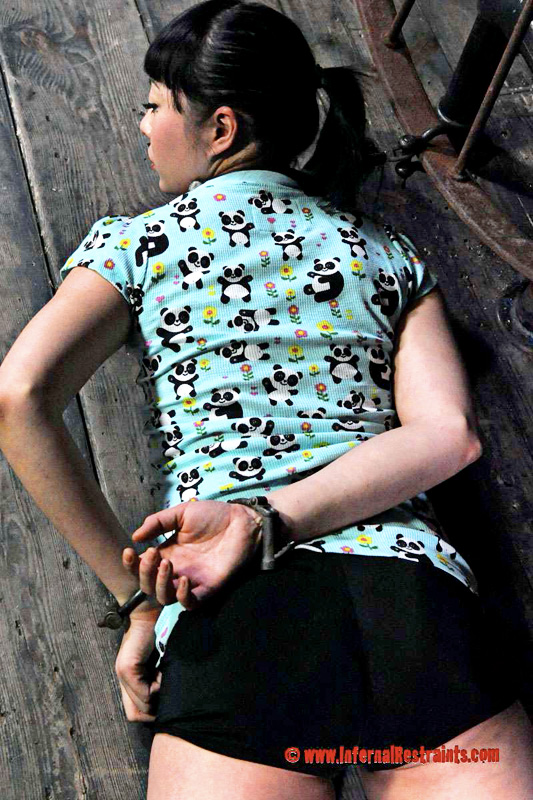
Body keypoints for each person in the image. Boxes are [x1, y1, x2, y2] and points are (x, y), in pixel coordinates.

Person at [0, 1, 532, 798]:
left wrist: (137, 600)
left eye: (153, 106)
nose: (143, 128)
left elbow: (19, 397)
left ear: (219, 128)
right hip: (414, 610)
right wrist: (274, 517)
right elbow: (448, 434)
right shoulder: (385, 253)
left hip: (240, 611)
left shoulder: (138, 243)